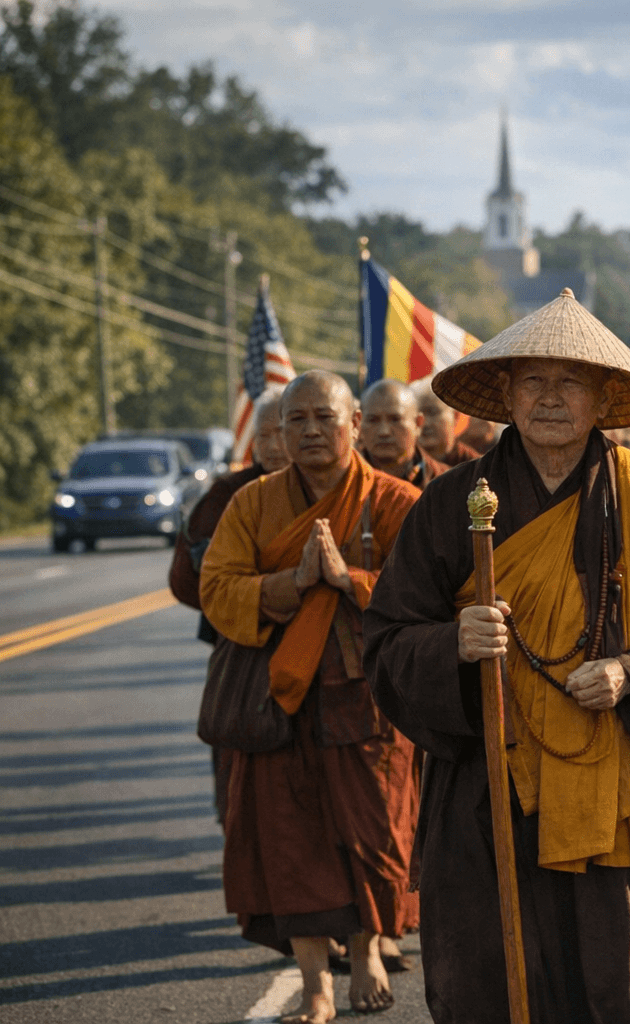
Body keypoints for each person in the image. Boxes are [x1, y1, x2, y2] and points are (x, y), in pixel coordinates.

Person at [363, 288, 630, 1024]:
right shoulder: (450, 504)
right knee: (493, 986)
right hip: (488, 790)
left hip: (617, 794)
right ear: (504, 395)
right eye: (533, 380)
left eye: (571, 381)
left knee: (621, 984)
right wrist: (452, 645)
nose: (550, 398)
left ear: (604, 398)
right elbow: (385, 641)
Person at [200, 370, 423, 1022]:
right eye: (295, 420)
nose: (310, 431)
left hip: (366, 697)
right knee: (289, 840)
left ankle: (366, 950)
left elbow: (428, 594)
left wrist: (348, 579)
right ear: (278, 431)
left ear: (354, 424)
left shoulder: (395, 500)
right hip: (283, 697)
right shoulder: (254, 504)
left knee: (371, 830)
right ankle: (316, 985)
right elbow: (217, 591)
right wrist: (288, 586)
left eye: (324, 417)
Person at [169, 389, 290, 824]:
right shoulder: (230, 493)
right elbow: (190, 581)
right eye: (264, 435)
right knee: (240, 756)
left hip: (321, 653)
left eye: (282, 432)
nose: (274, 446)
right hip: (243, 648)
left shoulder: (331, 487)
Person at [360, 378, 449, 488]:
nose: (384, 432)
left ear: (418, 423)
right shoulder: (340, 479)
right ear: (358, 423)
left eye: (395, 419)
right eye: (373, 420)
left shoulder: (447, 482)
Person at [415, 382, 480, 466]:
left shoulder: (476, 467)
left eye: (432, 412)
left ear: (455, 416)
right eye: (418, 415)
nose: (425, 423)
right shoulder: (400, 464)